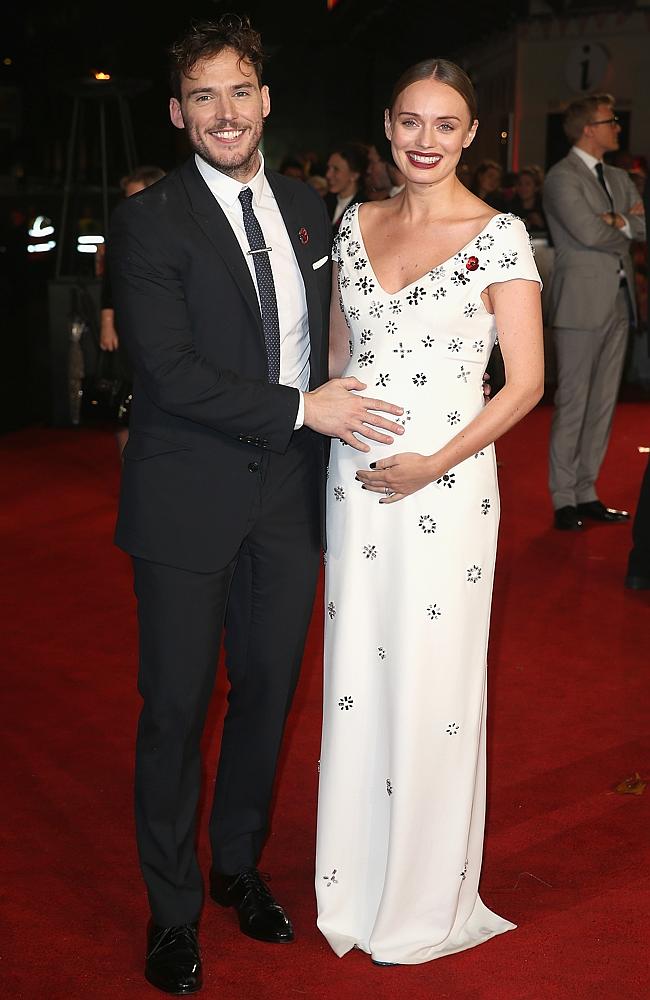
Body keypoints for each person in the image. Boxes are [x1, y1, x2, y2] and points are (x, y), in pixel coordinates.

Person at [109, 15, 404, 995]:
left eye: (239, 91)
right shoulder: (150, 220)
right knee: (176, 707)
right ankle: (172, 908)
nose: (224, 112)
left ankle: (236, 865)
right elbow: (168, 369)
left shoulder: (309, 208)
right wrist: (301, 406)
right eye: (203, 97)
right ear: (177, 113)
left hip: (288, 494)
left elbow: (338, 332)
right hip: (185, 495)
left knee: (267, 695)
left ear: (266, 100)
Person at [316, 58, 543, 965]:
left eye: (444, 125)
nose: (423, 140)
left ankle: (421, 893)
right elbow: (338, 358)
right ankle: (356, 882)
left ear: (471, 134)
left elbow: (526, 382)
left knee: (434, 684)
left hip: (446, 488)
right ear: (387, 124)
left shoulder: (499, 235)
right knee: (356, 678)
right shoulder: (352, 220)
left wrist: (436, 462)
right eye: (410, 122)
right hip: (357, 484)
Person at [543, 93, 645, 530]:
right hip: (581, 304)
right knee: (572, 401)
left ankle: (588, 491)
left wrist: (615, 220)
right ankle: (563, 497)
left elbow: (644, 225)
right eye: (611, 121)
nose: (617, 127)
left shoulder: (621, 176)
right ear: (589, 128)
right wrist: (624, 222)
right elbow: (585, 231)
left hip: (620, 301)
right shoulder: (560, 177)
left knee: (603, 403)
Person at [99, 165, 166, 455]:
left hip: (169, 331)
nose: (130, 205)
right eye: (126, 197)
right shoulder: (122, 232)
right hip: (130, 331)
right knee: (124, 405)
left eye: (136, 197)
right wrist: (107, 320)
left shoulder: (180, 229)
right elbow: (110, 282)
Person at [325, 142, 369, 229]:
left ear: (354, 175)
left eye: (336, 169)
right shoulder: (324, 203)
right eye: (328, 168)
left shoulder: (365, 209)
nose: (328, 175)